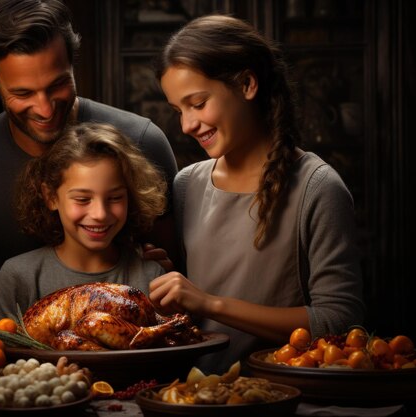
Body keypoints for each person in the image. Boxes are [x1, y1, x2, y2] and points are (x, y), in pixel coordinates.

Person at [0, 0, 178, 313]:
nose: (45, 109)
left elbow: (174, 268)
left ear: (73, 64)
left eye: (58, 84)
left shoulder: (142, 143)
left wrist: (156, 270)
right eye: (23, 93)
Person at [148, 15, 365, 373]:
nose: (187, 125)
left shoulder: (318, 187)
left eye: (198, 103)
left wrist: (211, 304)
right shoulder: (186, 184)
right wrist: (166, 282)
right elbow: (186, 312)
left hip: (285, 394)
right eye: (178, 110)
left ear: (247, 84)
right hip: (196, 392)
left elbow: (339, 320)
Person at [0, 122, 167, 321]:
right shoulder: (19, 276)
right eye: (82, 199)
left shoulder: (150, 276)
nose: (99, 214)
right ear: (51, 197)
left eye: (115, 198)